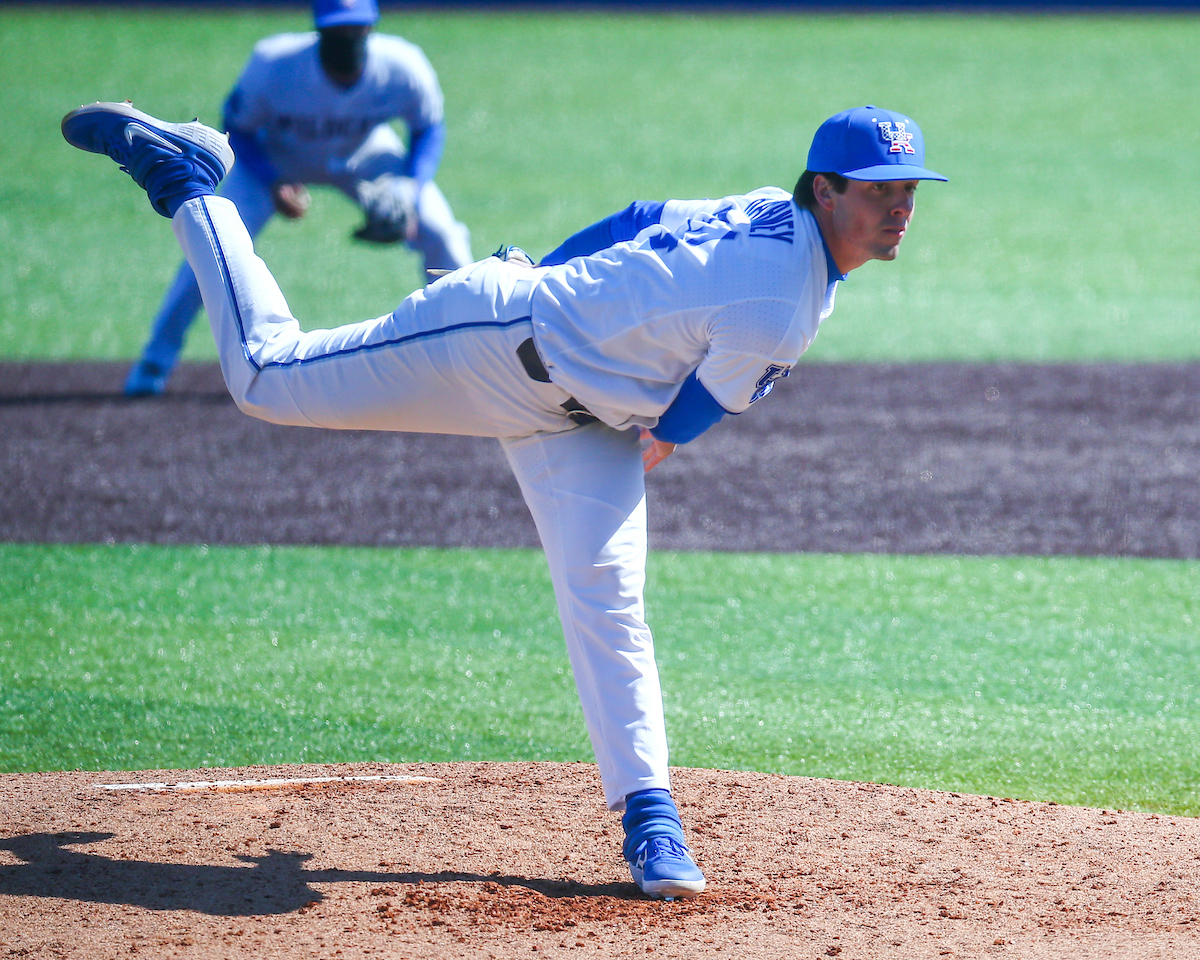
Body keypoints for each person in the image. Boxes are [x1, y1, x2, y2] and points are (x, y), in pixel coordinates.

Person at [61, 99, 945, 899]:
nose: (900, 205)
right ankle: (189, 181)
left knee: (609, 595)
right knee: (265, 375)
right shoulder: (782, 302)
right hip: (493, 343)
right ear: (825, 191)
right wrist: (552, 305)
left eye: (909, 189)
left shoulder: (767, 208)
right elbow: (685, 415)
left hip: (571, 405)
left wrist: (554, 277)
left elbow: (638, 221)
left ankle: (652, 822)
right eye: (880, 190)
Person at [121, 0, 473, 397]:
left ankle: (474, 350)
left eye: (357, 29)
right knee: (210, 245)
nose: (348, 38)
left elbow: (428, 127)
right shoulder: (274, 64)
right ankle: (154, 363)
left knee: (441, 231)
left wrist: (411, 188)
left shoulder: (403, 64)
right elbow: (239, 127)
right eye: (339, 31)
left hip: (365, 154)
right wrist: (273, 181)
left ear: (371, 28)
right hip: (275, 158)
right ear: (319, 29)